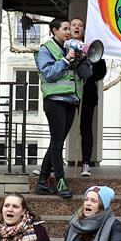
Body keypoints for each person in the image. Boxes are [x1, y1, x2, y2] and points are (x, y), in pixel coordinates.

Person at [34, 18, 92, 198]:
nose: (69, 32)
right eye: (65, 29)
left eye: (69, 29)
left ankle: (42, 181)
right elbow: (48, 73)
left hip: (71, 100)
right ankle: (60, 181)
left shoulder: (71, 48)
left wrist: (82, 59)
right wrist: (66, 60)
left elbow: (87, 74)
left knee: (56, 142)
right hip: (55, 100)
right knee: (58, 143)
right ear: (54, 30)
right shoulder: (46, 49)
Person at [69, 18, 108, 178]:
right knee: (61, 129)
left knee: (86, 129)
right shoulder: (64, 46)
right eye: (74, 25)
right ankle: (51, 164)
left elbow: (100, 73)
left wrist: (90, 63)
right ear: (69, 29)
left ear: (84, 30)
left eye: (80, 25)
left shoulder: (90, 48)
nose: (77, 27)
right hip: (68, 92)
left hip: (87, 93)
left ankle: (86, 163)